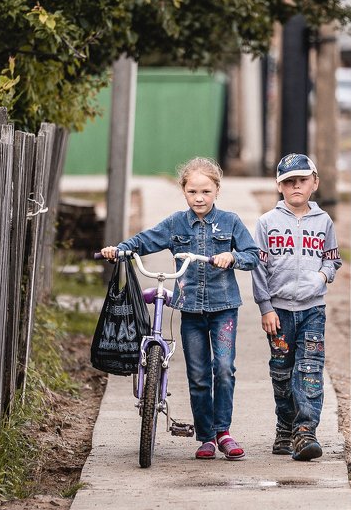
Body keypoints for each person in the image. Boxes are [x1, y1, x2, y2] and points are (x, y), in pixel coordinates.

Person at [100, 157, 260, 461]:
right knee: (198, 374)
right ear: (183, 191)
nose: (199, 198)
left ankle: (223, 432)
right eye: (192, 192)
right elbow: (145, 241)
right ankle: (206, 438)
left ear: (217, 191)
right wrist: (119, 249)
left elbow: (252, 254)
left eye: (206, 192)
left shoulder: (230, 222)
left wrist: (232, 257)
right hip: (191, 311)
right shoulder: (176, 223)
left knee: (223, 369)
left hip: (224, 308)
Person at [251, 154, 342, 461]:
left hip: (313, 309)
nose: (296, 187)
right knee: (282, 370)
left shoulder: (323, 222)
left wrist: (321, 276)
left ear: (314, 182)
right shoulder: (267, 223)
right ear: (279, 186)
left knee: (310, 369)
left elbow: (333, 259)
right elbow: (258, 268)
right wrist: (266, 307)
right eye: (289, 182)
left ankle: (305, 432)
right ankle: (285, 427)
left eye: (302, 180)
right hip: (278, 311)